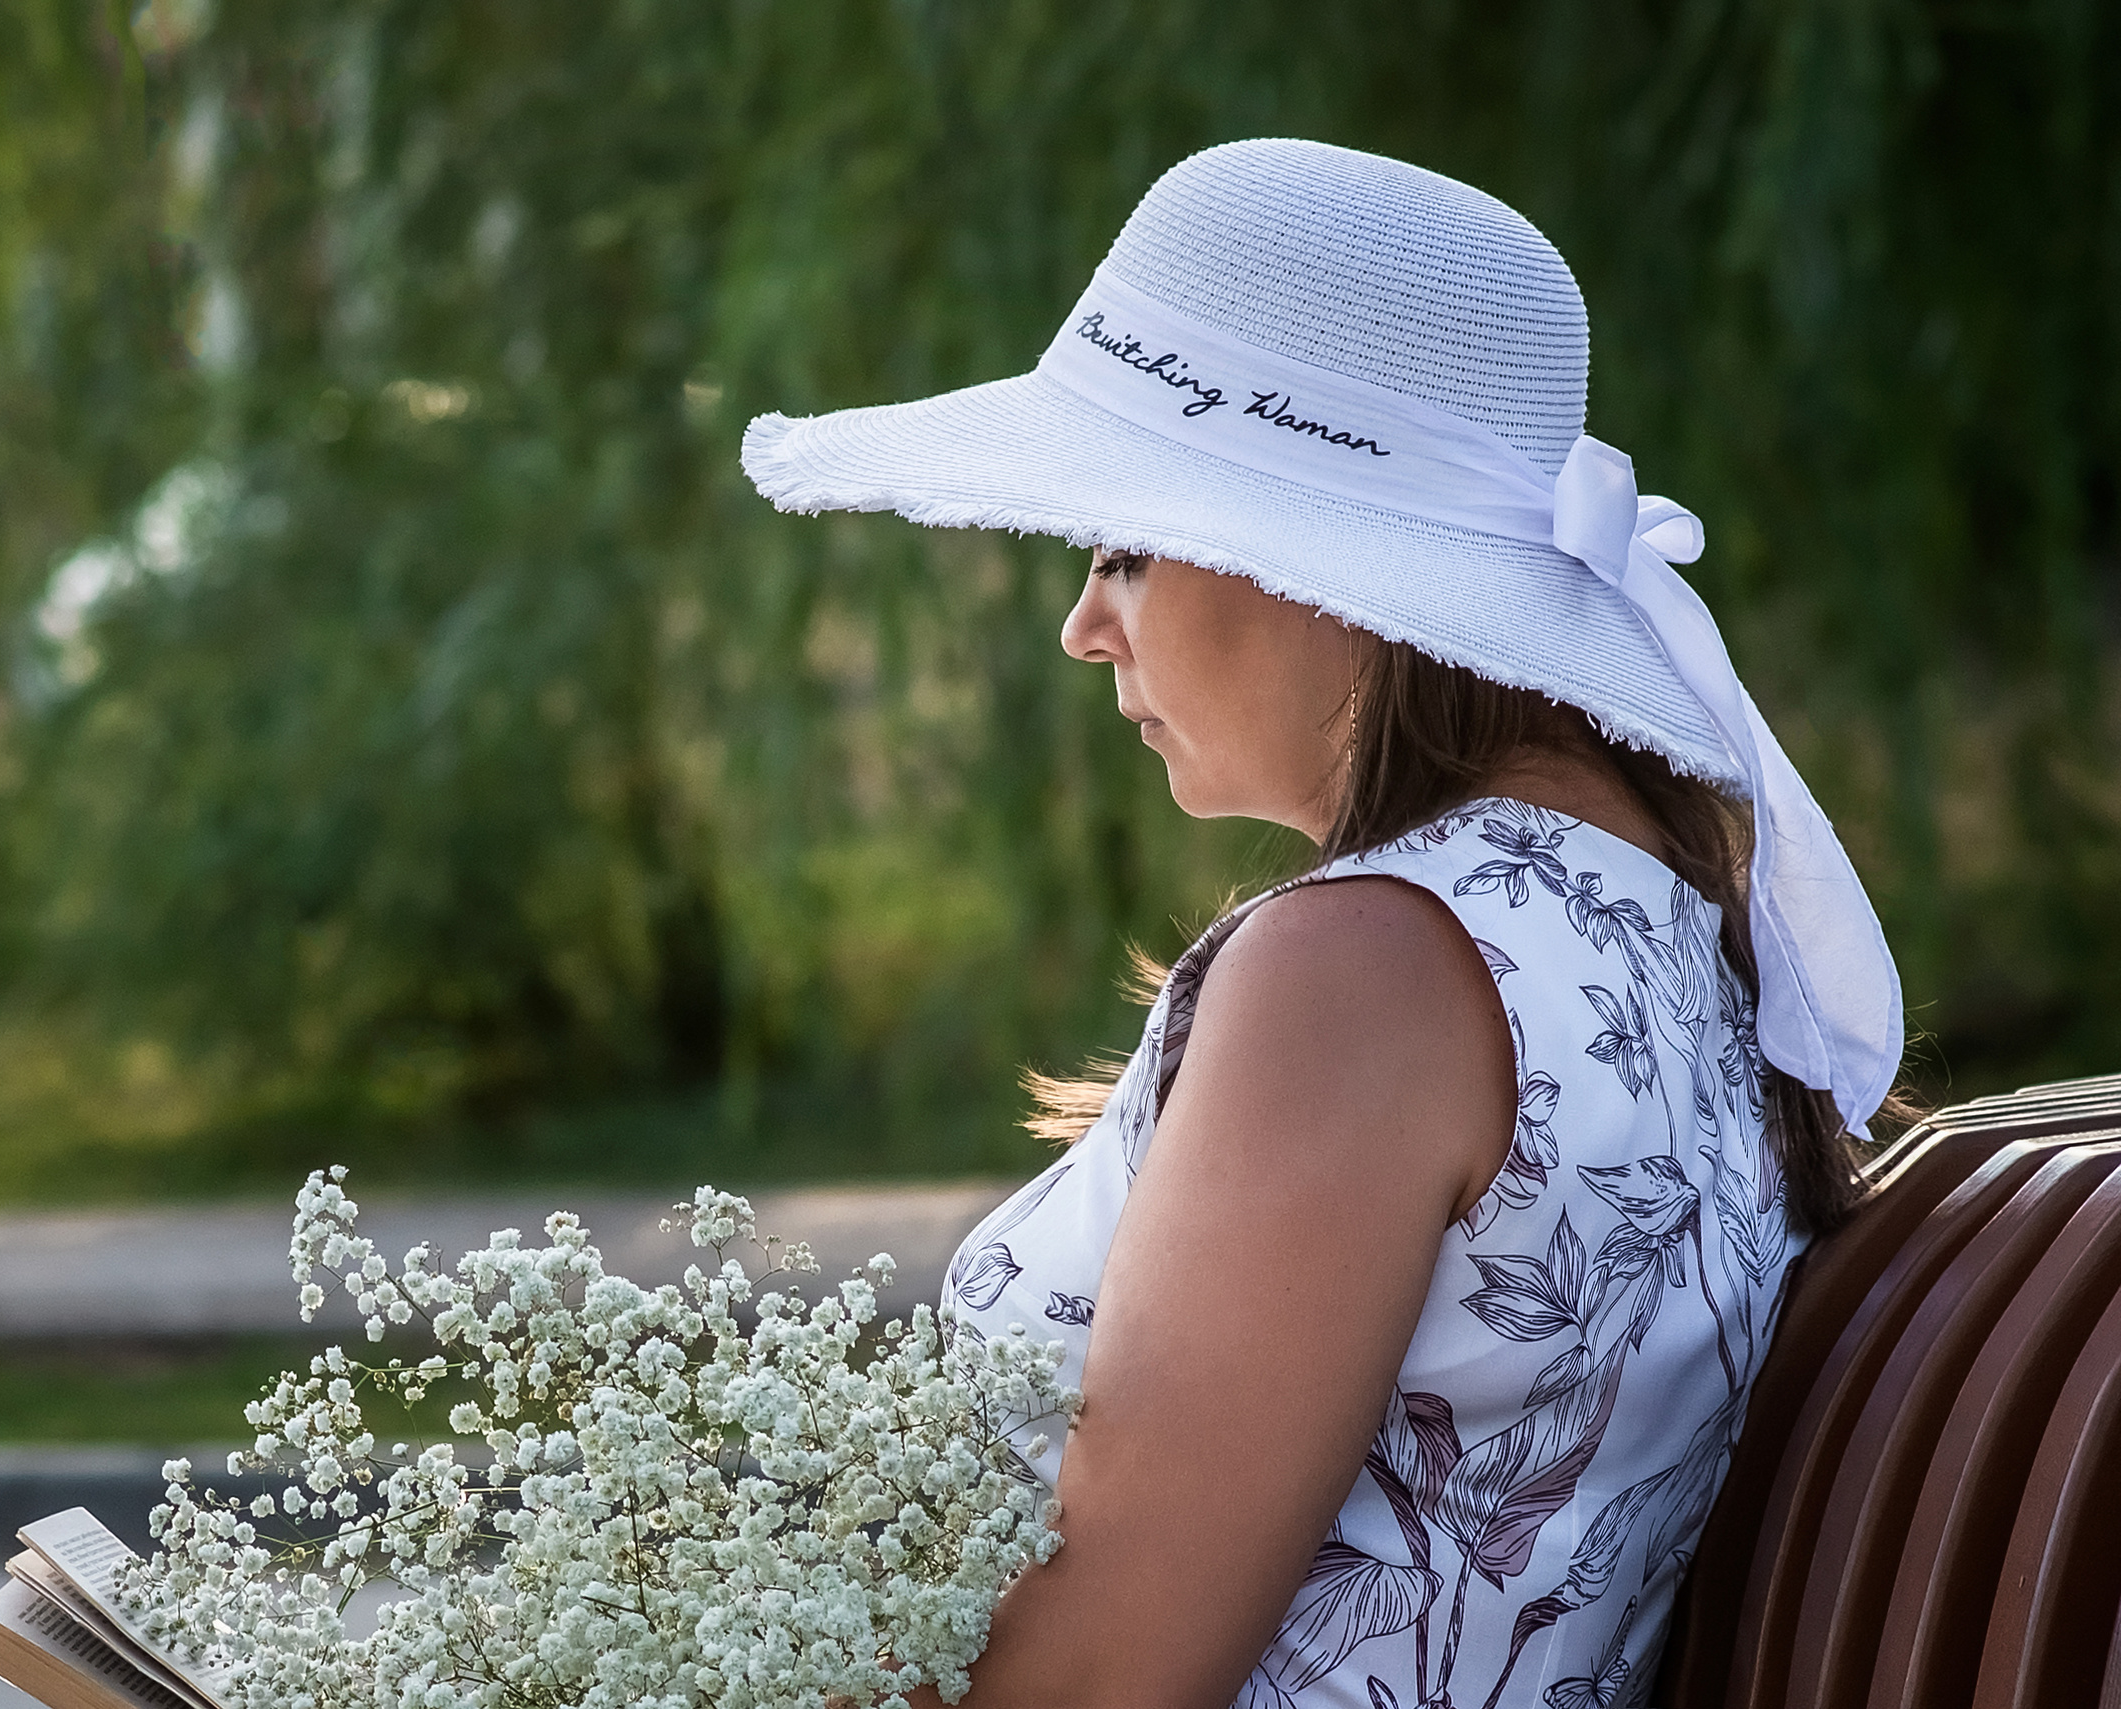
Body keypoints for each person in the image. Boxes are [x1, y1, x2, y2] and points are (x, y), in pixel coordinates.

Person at [743, 140, 1907, 1709]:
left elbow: (1096, 1679)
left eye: (1125, 546)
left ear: (1319, 565)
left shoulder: (1364, 974)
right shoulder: (1660, 926)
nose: (1084, 625)